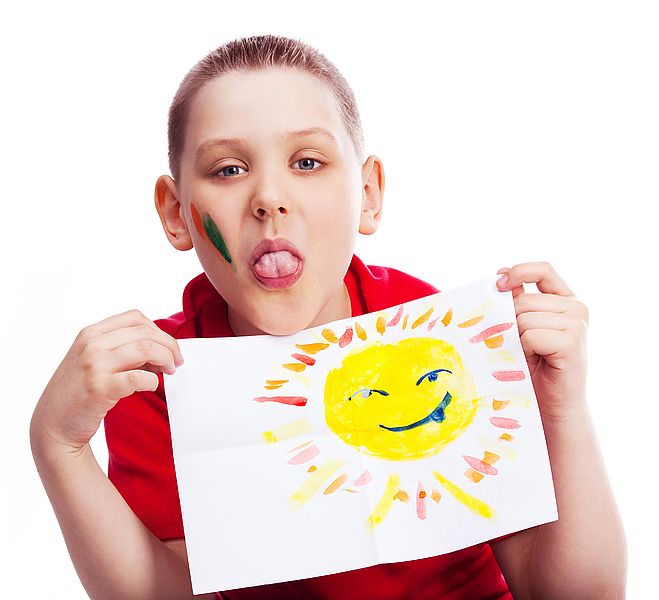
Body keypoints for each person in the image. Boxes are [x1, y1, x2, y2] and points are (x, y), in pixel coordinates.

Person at [30, 35, 627, 599]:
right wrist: (58, 444)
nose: (269, 198)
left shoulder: (434, 332)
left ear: (367, 194)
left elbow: (578, 594)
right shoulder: (156, 376)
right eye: (228, 169)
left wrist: (563, 410)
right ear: (177, 212)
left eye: (308, 161)